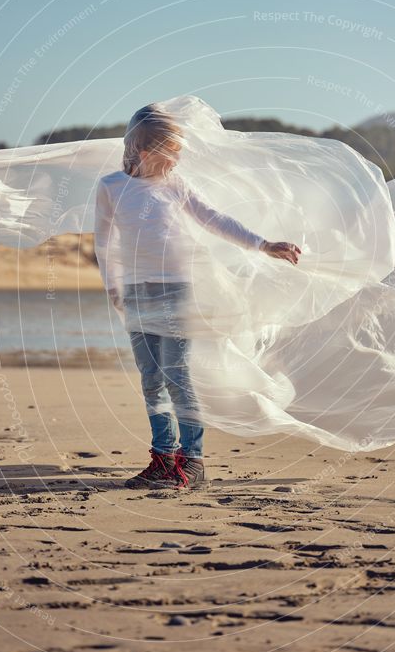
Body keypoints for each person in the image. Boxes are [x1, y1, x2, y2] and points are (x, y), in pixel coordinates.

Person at [95, 104, 301, 491]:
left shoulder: (176, 185)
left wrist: (264, 244)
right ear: (144, 147)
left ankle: (192, 462)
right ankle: (162, 458)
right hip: (136, 294)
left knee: (177, 375)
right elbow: (103, 244)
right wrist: (112, 287)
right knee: (151, 378)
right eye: (171, 149)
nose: (177, 157)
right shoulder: (111, 187)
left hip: (175, 290)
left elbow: (214, 218)